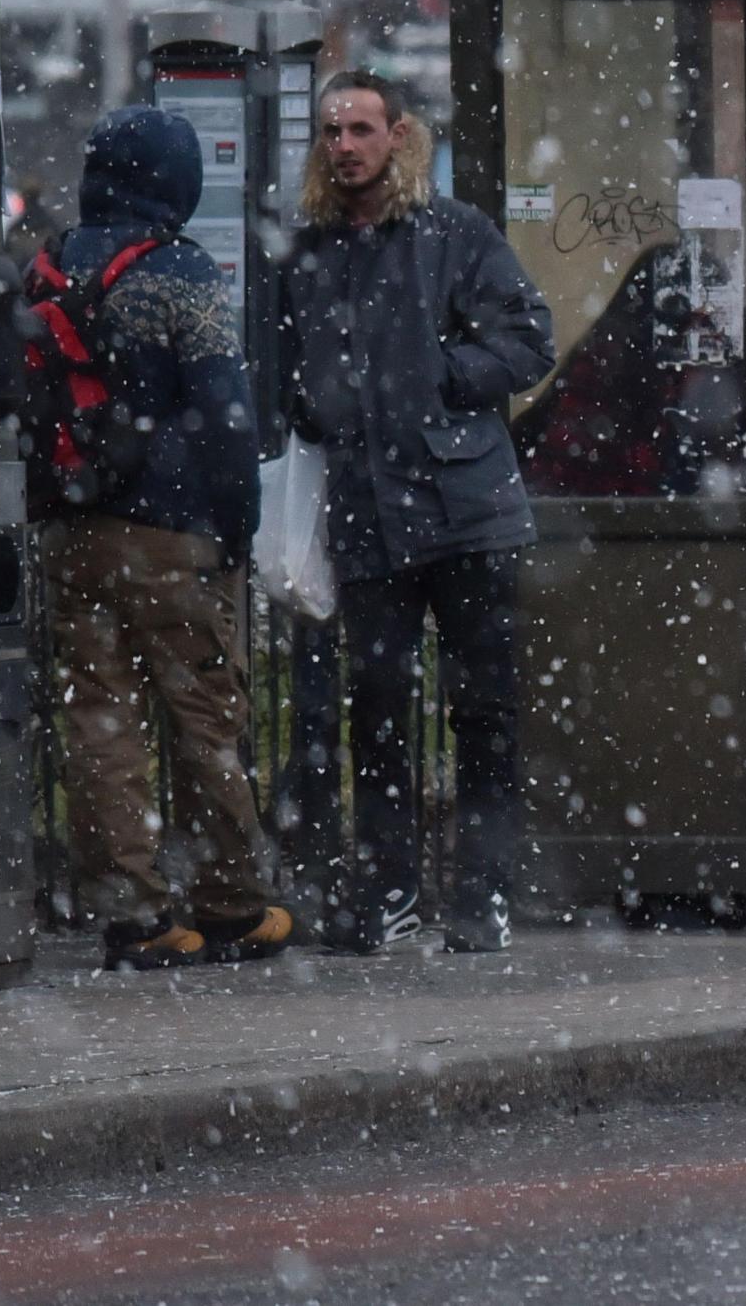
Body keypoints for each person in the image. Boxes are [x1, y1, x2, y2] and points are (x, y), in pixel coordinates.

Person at [283, 70, 556, 955]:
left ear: (398, 135)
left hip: (465, 506)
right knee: (381, 712)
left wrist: (444, 378)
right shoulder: (314, 251)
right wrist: (312, 403)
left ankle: (483, 894)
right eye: (333, 130)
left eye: (362, 128)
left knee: (482, 711)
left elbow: (527, 340)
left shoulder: (452, 233)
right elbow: (289, 368)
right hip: (368, 513)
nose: (346, 144)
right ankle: (391, 891)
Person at [37, 107, 292, 971]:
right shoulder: (181, 272)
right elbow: (225, 412)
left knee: (101, 722)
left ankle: (132, 915)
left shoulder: (54, 260)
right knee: (204, 718)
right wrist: (238, 523)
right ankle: (229, 904)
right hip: (173, 534)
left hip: (75, 527)